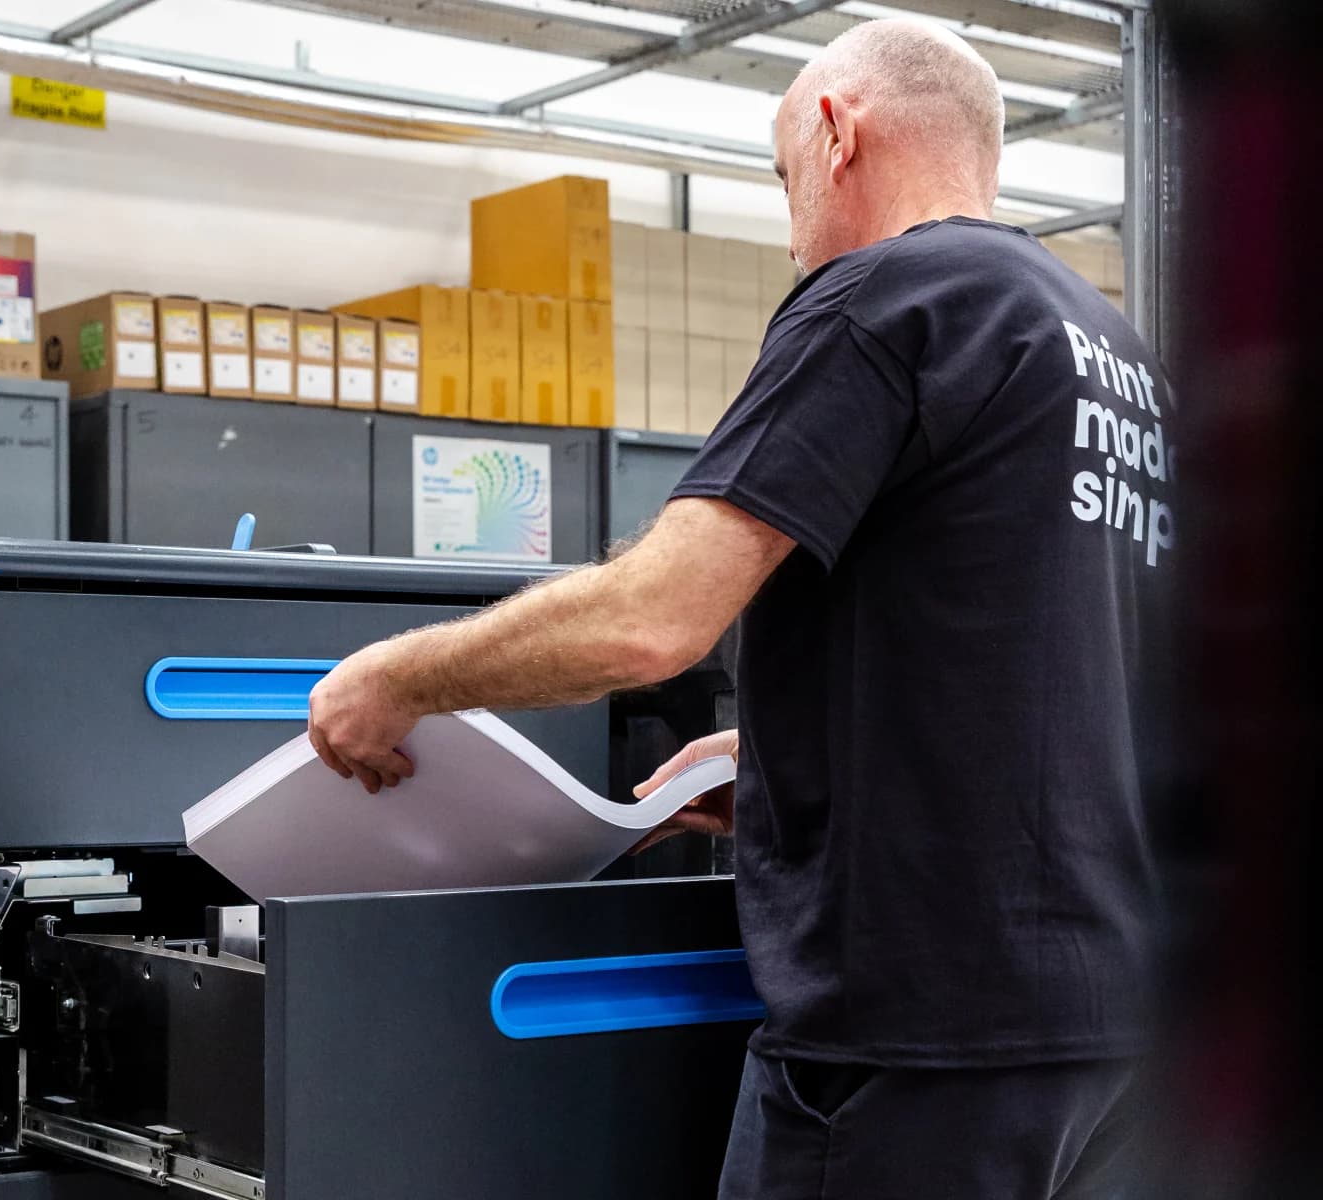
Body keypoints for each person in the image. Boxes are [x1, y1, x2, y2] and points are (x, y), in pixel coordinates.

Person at [308, 16, 1169, 1199]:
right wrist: (783, 763)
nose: (792, 223)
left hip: (916, 1035)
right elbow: (1042, 671)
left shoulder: (886, 296)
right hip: (1111, 1027)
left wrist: (396, 678)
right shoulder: (1106, 345)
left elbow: (650, 620)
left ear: (833, 130)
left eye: (780, 180)